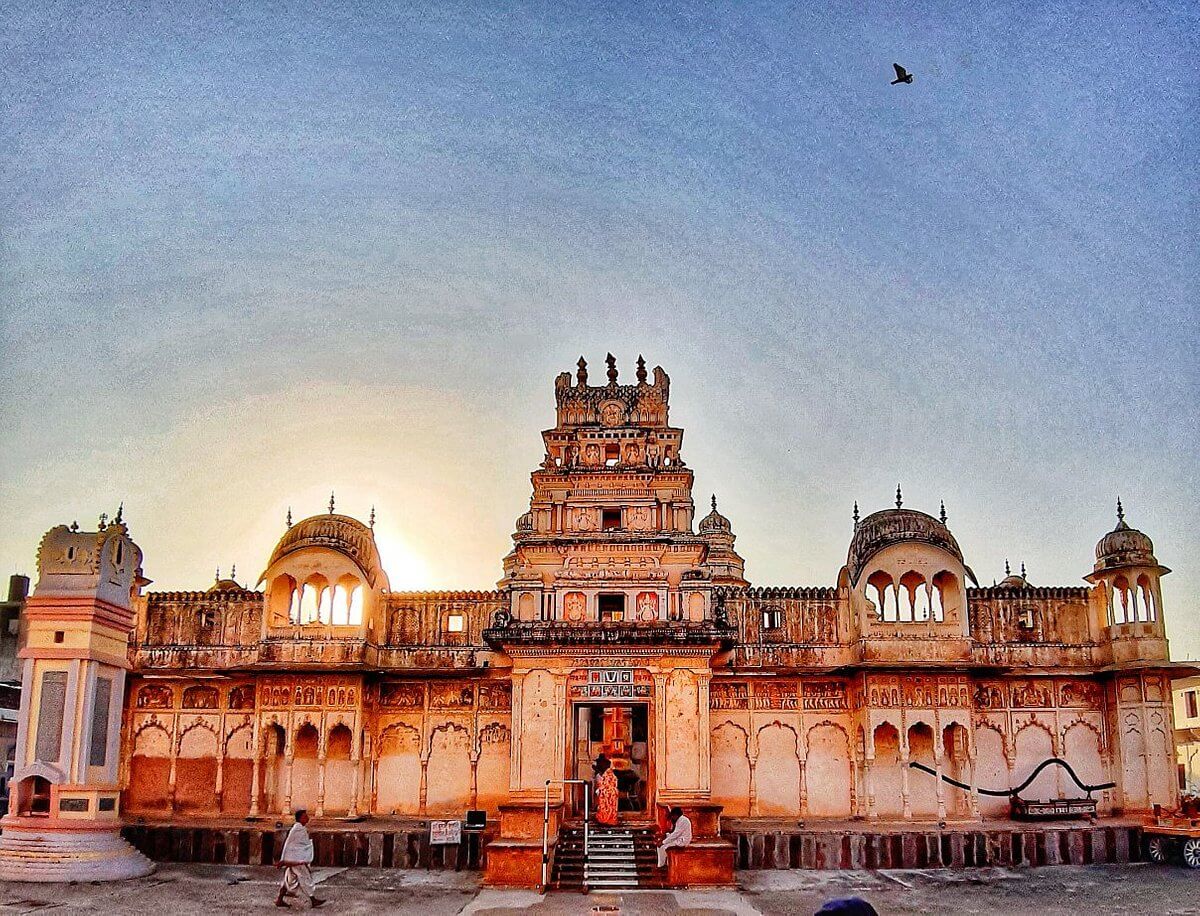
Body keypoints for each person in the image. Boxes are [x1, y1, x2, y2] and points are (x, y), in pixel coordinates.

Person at [274, 809, 325, 909]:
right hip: (297, 860)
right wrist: (291, 859)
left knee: (288, 880)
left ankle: (279, 899)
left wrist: (286, 859)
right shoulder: (298, 829)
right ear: (300, 818)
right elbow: (293, 846)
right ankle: (312, 899)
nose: (307, 818)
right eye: (305, 816)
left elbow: (294, 846)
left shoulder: (299, 828)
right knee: (305, 877)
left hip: (293, 859)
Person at [593, 755, 619, 826]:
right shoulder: (605, 774)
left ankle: (607, 818)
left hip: (607, 792)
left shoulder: (606, 774)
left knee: (607, 805)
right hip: (607, 792)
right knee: (606, 805)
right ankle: (606, 818)